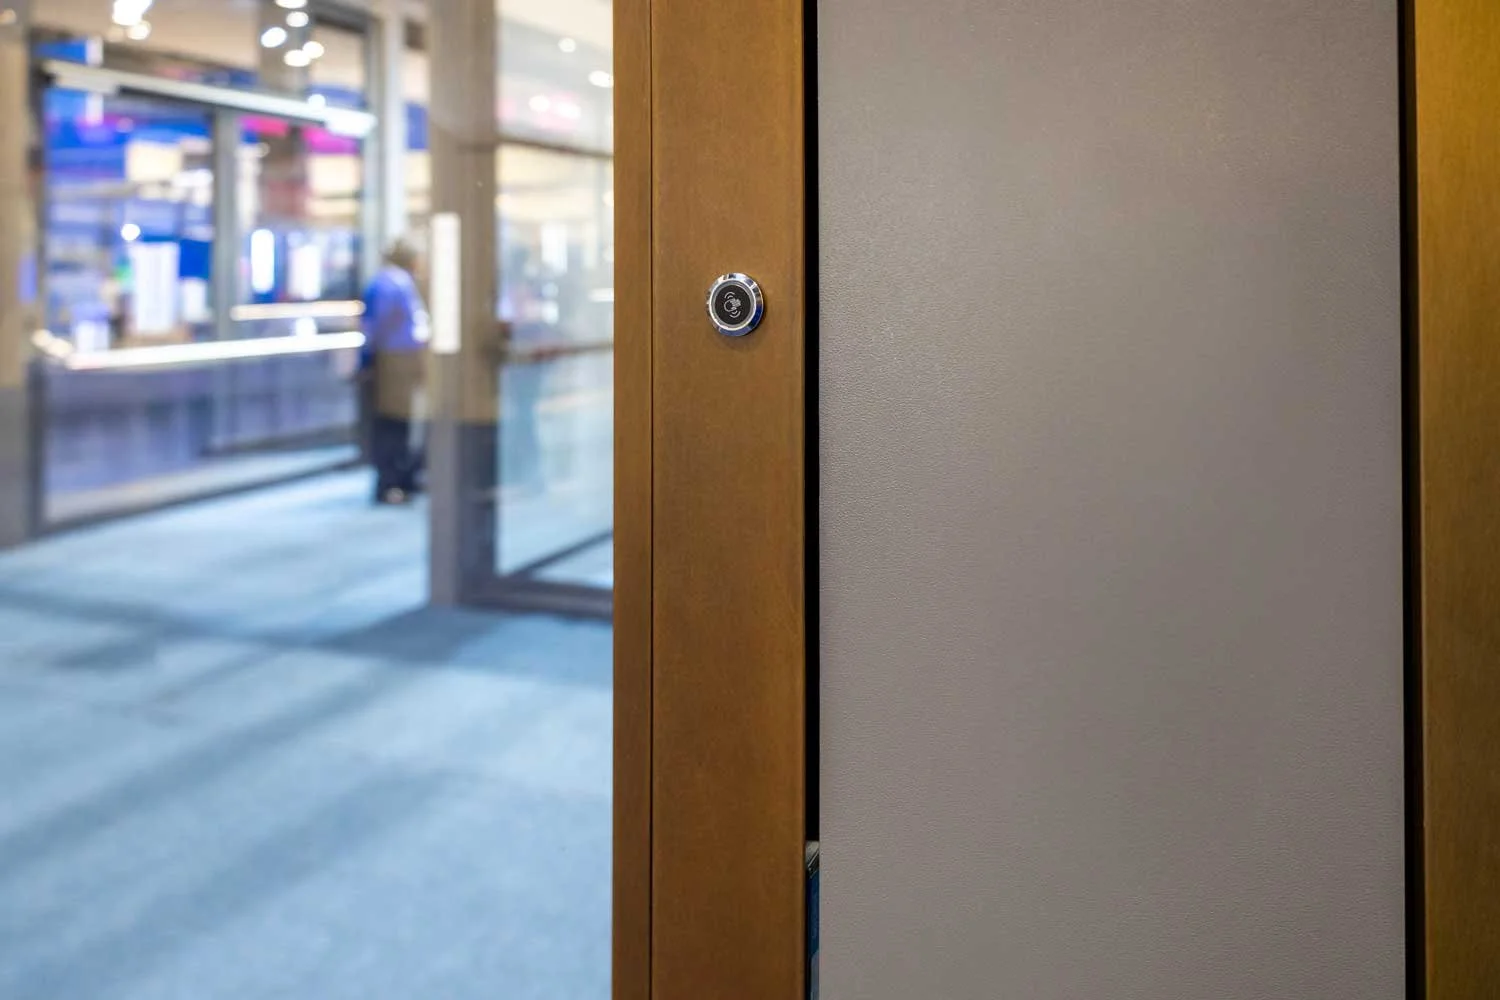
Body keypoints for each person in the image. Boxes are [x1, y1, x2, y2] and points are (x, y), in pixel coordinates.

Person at [360, 238, 429, 505]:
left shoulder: (388, 282)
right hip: (395, 362)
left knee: (395, 424)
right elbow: (376, 328)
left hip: (397, 361)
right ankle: (391, 482)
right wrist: (367, 360)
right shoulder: (395, 284)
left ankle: (398, 479)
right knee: (393, 425)